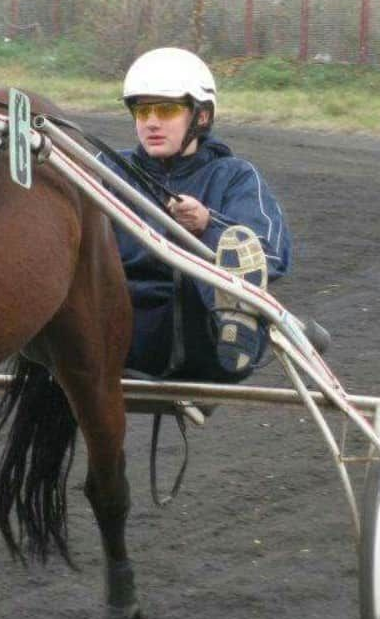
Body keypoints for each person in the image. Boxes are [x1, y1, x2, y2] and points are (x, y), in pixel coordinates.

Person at [101, 47, 292, 382]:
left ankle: (237, 319)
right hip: (119, 328)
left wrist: (208, 225)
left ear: (201, 116)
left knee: (231, 259)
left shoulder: (234, 176)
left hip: (203, 339)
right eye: (142, 111)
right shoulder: (108, 169)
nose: (152, 122)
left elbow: (271, 254)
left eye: (166, 109)